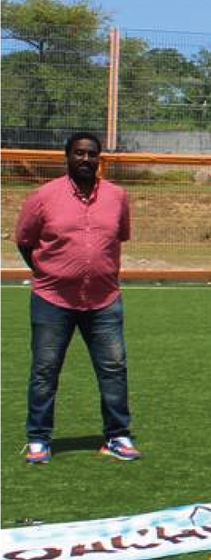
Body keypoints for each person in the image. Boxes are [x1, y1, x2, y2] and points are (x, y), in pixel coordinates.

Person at [15, 132, 139, 465]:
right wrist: (47, 272)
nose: (85, 159)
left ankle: (117, 436)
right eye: (79, 153)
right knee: (45, 370)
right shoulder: (43, 196)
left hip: (104, 299)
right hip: (52, 299)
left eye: (92, 154)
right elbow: (25, 240)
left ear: (100, 159)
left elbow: (118, 237)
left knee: (114, 368)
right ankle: (39, 439)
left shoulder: (117, 196)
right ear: (67, 156)